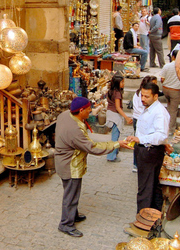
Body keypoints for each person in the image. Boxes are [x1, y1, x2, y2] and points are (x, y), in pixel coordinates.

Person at [55, 97, 133, 237]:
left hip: (64, 161)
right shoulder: (75, 130)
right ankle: (66, 224)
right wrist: (116, 144)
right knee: (70, 194)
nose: (91, 112)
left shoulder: (65, 115)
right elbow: (93, 148)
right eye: (88, 110)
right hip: (70, 165)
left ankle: (73, 214)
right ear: (80, 110)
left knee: (72, 191)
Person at [127, 82, 170, 213]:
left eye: (146, 96)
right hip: (145, 150)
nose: (143, 99)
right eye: (142, 96)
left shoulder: (159, 112)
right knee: (153, 186)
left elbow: (161, 135)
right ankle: (155, 215)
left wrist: (140, 139)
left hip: (150, 151)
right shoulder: (149, 108)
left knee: (145, 189)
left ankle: (142, 219)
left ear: (155, 96)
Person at [131, 75, 158, 172]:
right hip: (139, 119)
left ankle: (139, 163)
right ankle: (137, 163)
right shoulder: (139, 95)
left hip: (139, 118)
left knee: (140, 141)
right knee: (139, 141)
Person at [161, 50, 180, 134]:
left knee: (169, 107)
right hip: (175, 91)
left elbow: (162, 79)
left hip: (165, 89)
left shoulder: (167, 66)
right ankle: (170, 129)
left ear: (173, 57)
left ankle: (166, 125)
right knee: (173, 111)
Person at [105, 74, 133, 162]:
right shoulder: (117, 93)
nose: (123, 84)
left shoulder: (111, 91)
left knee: (114, 135)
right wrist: (126, 117)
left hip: (110, 114)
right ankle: (111, 156)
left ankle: (114, 153)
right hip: (115, 116)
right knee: (115, 137)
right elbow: (118, 107)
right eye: (122, 82)